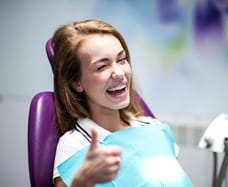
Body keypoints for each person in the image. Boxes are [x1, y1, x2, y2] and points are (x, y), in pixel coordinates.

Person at [52, 19, 193, 187]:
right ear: (76, 83)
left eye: (122, 59)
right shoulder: (76, 146)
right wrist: (81, 183)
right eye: (102, 67)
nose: (119, 73)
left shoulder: (153, 127)